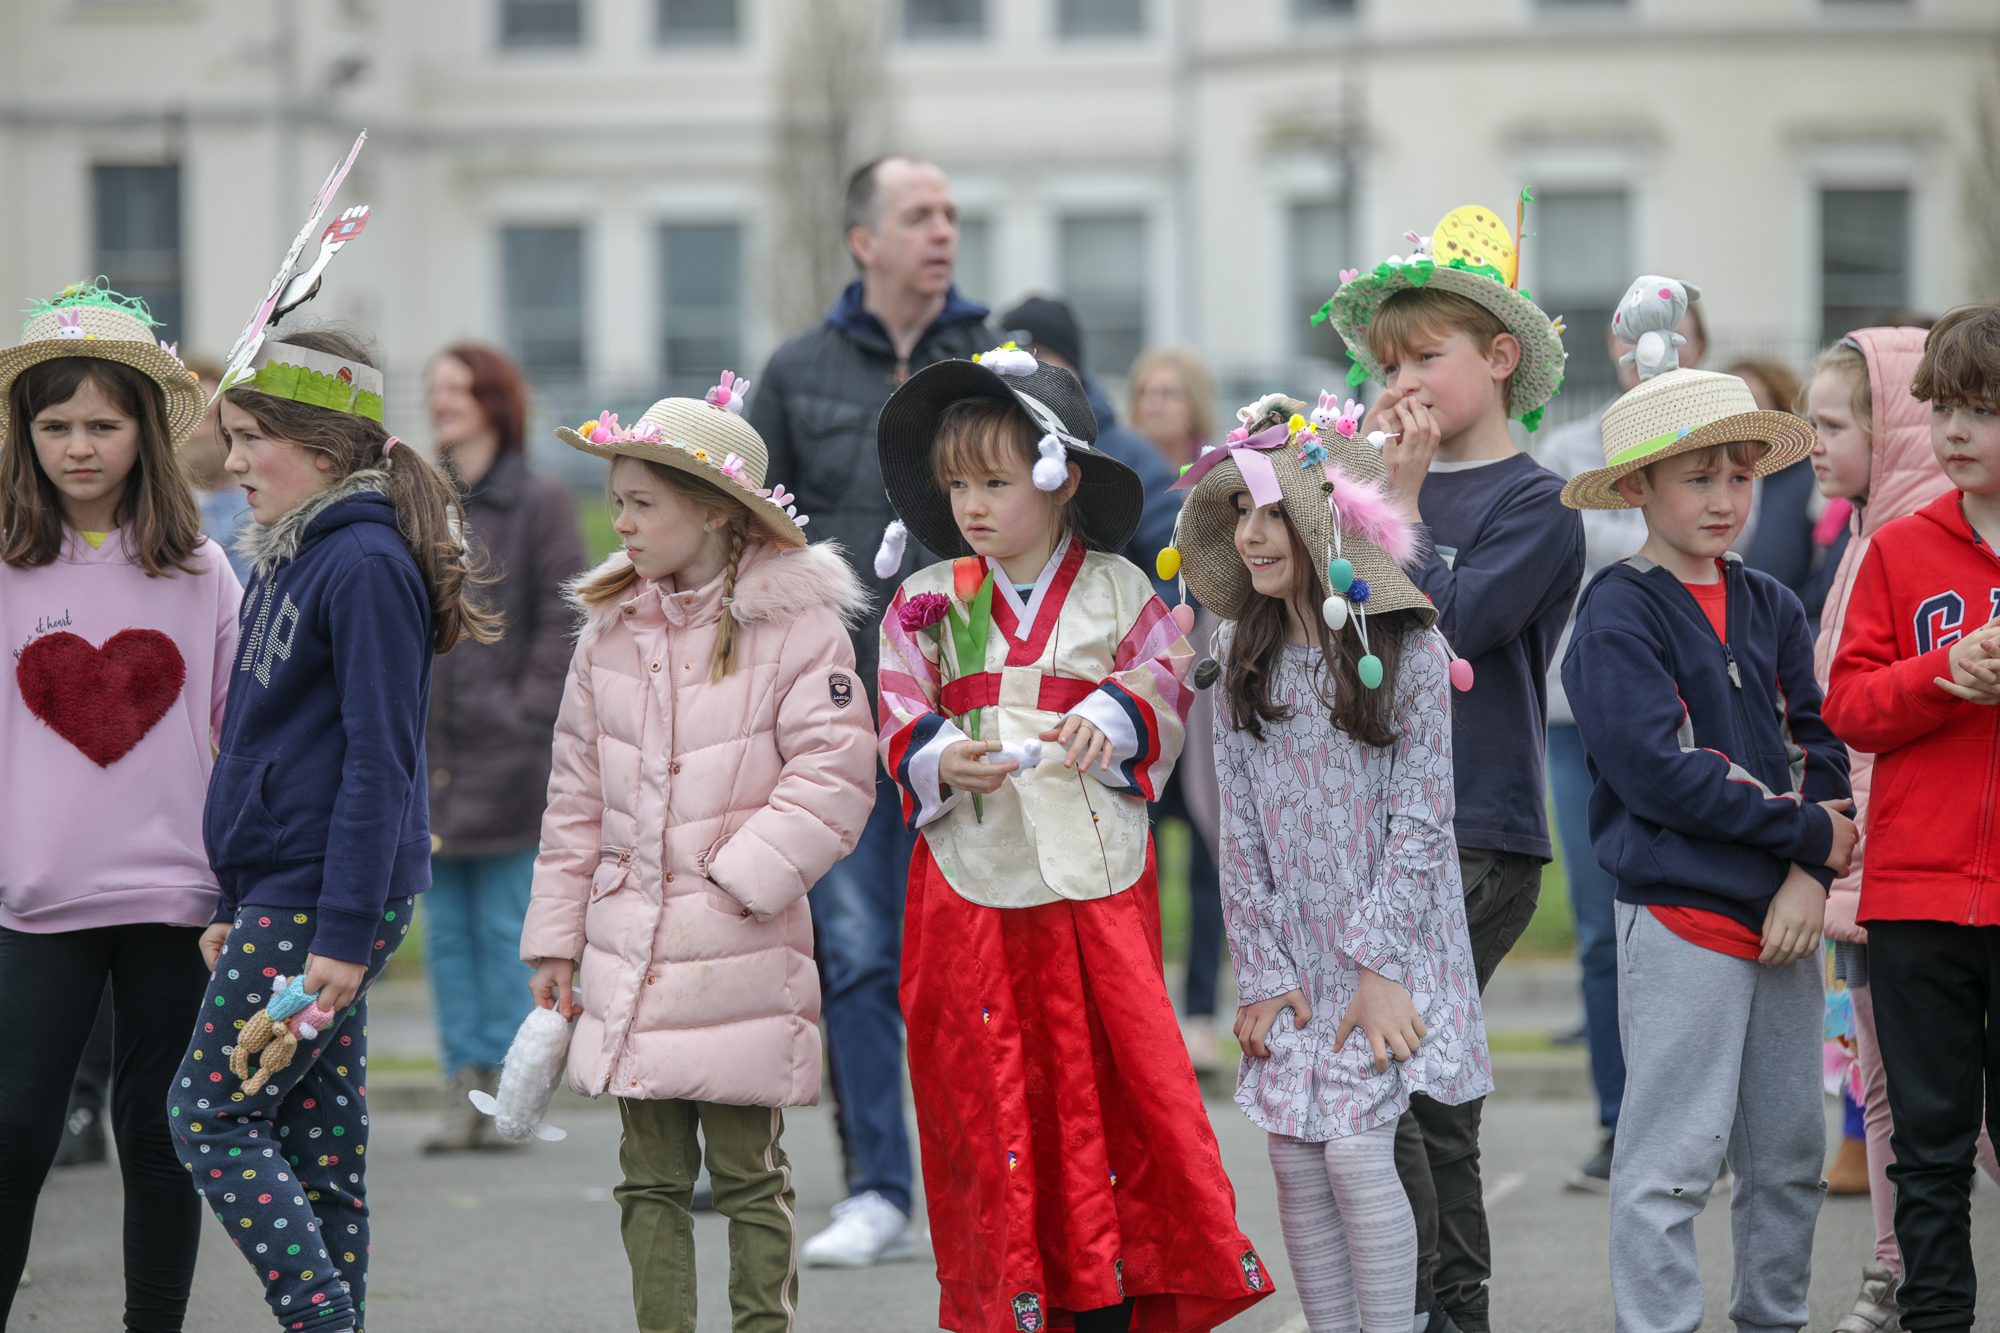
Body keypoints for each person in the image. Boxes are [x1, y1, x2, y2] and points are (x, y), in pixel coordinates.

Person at [875, 349, 1275, 1332]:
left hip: (1094, 886)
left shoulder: (1116, 589)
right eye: (957, 482)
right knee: (986, 1093)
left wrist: (1119, 715)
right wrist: (931, 753)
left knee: (1111, 1082)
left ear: (1058, 484)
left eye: (996, 482)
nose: (971, 503)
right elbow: (892, 709)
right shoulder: (925, 597)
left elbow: (1163, 681)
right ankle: (1011, 1292)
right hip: (967, 886)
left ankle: (1110, 1285)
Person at [521, 382, 876, 1331]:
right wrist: (556, 938)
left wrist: (737, 880)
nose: (620, 521)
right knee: (647, 1178)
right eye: (617, 500)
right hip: (630, 945)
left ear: (714, 512)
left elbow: (837, 772)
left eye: (642, 502)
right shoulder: (608, 634)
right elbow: (575, 798)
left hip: (738, 949)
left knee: (750, 1174)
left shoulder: (799, 630)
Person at [168, 326, 499, 1333]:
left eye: (250, 437)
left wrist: (343, 936)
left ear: (321, 447)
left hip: (320, 901)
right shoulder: (291, 550)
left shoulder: (360, 565)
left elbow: (378, 761)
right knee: (321, 1146)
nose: (230, 463)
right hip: (282, 893)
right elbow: (261, 738)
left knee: (210, 1114)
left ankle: (321, 1317)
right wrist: (230, 895)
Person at [1178, 392, 1492, 1333]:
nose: (1254, 535)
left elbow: (1424, 821)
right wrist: (1265, 971)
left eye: (1276, 512)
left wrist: (1380, 965)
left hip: (1389, 954)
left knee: (1358, 1156)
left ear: (1329, 522)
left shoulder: (1411, 648)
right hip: (1298, 959)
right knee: (1292, 1158)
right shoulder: (1239, 648)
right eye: (1240, 513)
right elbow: (1240, 831)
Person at [1560, 349, 1855, 1333]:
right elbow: (1662, 772)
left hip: (1784, 919)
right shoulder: (1615, 611)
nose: (1725, 497)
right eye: (1697, 477)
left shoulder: (1771, 603)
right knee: (1672, 1162)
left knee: (1785, 1155)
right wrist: (1810, 833)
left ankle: (1772, 1318)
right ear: (1637, 487)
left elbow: (1815, 743)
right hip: (1682, 917)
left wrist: (1805, 875)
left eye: (1738, 475)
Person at [1328, 206, 1583, 1331]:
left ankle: (1450, 1309)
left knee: (1422, 1090)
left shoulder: (1536, 504)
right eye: (1385, 363)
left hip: (1475, 829)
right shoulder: (1360, 497)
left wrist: (1406, 503)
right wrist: (1363, 501)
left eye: (1425, 355)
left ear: (1497, 358)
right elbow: (1330, 637)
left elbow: (1448, 633)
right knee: (1391, 1089)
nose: (1401, 382)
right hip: (1374, 829)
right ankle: (1418, 1304)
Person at [748, 154, 991, 1266]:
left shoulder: (995, 365)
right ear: (864, 241)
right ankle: (881, 1191)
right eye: (918, 214)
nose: (942, 230)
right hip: (842, 717)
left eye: (948, 213)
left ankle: (987, 1177)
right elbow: (754, 536)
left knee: (983, 956)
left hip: (979, 708)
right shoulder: (793, 372)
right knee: (852, 954)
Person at [0, 281, 240, 1332]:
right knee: (13, 1132)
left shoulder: (203, 572)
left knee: (159, 1134)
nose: (78, 447)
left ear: (146, 430)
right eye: (54, 425)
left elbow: (240, 741)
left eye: (102, 423)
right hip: (32, 899)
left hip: (175, 900)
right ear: (24, 434)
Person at [1802, 327, 2000, 1333]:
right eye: (1941, 407)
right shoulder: (1899, 546)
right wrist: (1944, 673)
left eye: (1982, 408)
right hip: (1915, 896)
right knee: (1923, 1144)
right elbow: (1847, 704)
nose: (1954, 429)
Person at [1534, 302, 1706, 1192]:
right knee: (1606, 932)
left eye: (1674, 342)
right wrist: (1643, 520)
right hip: (1578, 721)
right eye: (1636, 344)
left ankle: (1698, 1122)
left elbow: (1701, 539)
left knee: (1700, 923)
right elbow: (1565, 534)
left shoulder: (1719, 460)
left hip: (1696, 713)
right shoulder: (1568, 450)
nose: (1652, 358)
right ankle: (1617, 1119)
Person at [419, 342, 586, 1152]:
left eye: (456, 388)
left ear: (492, 398)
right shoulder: (422, 498)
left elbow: (565, 616)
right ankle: (464, 1082)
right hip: (434, 752)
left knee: (504, 927)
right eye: (434, 390)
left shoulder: (541, 501)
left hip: (509, 750)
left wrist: (527, 712)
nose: (440, 402)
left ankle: (515, 1092)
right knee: (445, 931)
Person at [1126, 345, 1232, 1065]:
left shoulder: (1220, 482)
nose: (1157, 403)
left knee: (1206, 853)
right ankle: (1147, 1000)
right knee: (1142, 849)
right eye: (1146, 392)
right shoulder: (1121, 484)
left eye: (1170, 391)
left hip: (1209, 688)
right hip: (1139, 689)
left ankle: (1200, 1008)